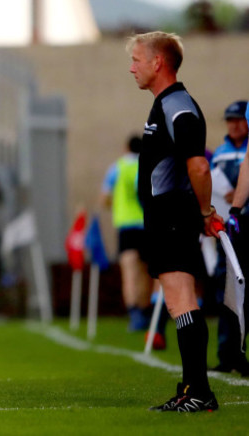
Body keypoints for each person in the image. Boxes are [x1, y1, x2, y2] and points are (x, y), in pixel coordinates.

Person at [127, 31, 223, 412]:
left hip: (173, 216)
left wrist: (204, 211)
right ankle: (193, 388)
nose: (131, 67)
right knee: (176, 302)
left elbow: (198, 164)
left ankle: (199, 392)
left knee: (181, 300)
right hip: (165, 216)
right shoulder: (164, 104)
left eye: (136, 59)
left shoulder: (178, 105)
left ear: (158, 63)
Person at [209, 101, 249, 375]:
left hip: (246, 219)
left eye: (239, 119)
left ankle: (241, 352)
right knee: (228, 289)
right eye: (230, 120)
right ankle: (228, 353)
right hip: (229, 225)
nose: (234, 125)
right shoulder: (220, 155)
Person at [100, 135, 154, 334]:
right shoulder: (147, 165)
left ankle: (135, 314)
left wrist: (117, 204)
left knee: (130, 272)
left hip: (126, 226)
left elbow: (104, 198)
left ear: (125, 148)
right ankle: (146, 310)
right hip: (147, 225)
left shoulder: (117, 168)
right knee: (148, 272)